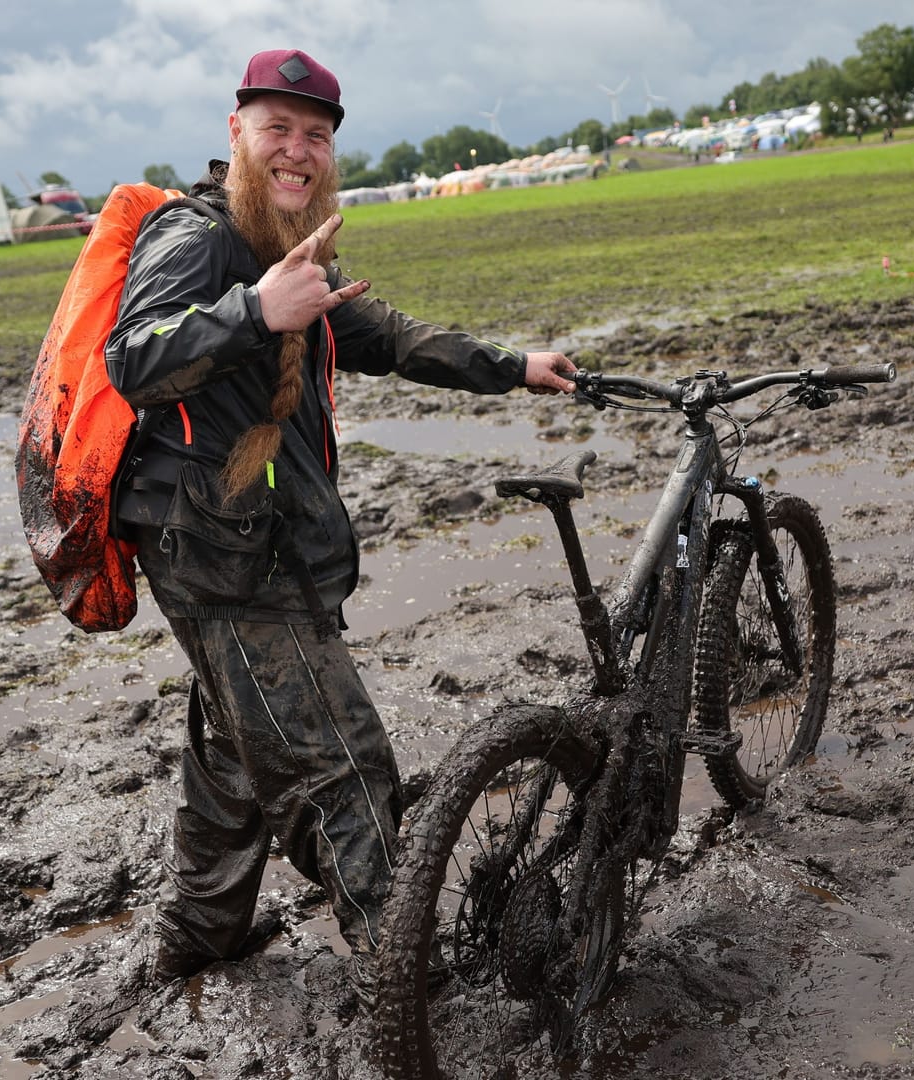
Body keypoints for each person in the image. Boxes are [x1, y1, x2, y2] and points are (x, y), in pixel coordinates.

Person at [103, 48, 578, 993]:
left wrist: (509, 366)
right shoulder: (195, 240)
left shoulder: (292, 245)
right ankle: (416, 993)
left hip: (257, 545)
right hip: (223, 560)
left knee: (235, 754)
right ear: (235, 130)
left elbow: (384, 335)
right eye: (278, 128)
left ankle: (199, 937)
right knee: (343, 772)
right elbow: (133, 360)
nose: (299, 150)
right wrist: (252, 311)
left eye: (316, 135)